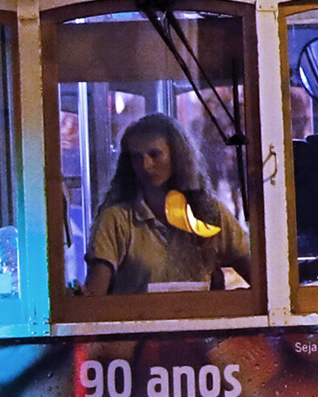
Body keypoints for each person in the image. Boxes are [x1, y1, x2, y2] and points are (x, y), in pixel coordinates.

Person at [82, 113, 252, 296]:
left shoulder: (211, 212)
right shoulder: (116, 219)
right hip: (137, 323)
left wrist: (228, 301)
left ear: (177, 156)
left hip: (199, 322)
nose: (145, 165)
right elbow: (95, 298)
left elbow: (260, 281)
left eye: (154, 154)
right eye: (135, 157)